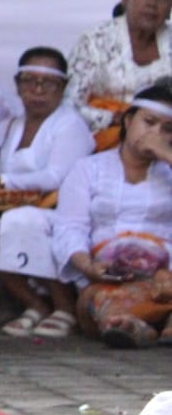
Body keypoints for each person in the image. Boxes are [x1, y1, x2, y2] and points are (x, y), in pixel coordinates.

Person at [0, 47, 94, 339]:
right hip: (10, 208)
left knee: (23, 220)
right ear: (17, 85)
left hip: (59, 211)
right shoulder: (11, 125)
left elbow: (56, 176)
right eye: (30, 81)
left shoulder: (70, 125)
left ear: (63, 88)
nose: (38, 90)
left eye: (48, 83)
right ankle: (34, 304)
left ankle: (64, 307)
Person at [53, 83, 172, 348]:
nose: (155, 134)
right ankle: (136, 326)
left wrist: (166, 154)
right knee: (101, 301)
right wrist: (87, 266)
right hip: (109, 281)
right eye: (149, 123)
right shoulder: (89, 169)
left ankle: (155, 326)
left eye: (167, 129)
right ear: (128, 121)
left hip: (165, 279)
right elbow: (69, 226)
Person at [66, 0, 172, 137]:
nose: (152, 3)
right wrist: (119, 119)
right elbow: (69, 104)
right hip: (104, 137)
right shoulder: (94, 40)